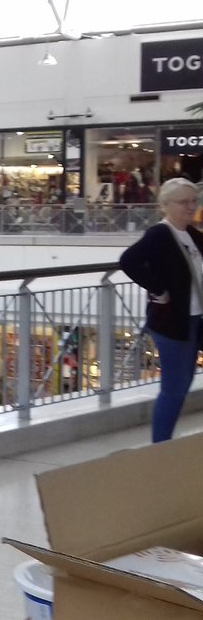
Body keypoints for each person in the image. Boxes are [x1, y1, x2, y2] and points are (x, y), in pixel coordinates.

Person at [119, 177, 203, 443]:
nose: (190, 207)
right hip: (173, 323)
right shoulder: (160, 234)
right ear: (165, 205)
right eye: (183, 202)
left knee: (182, 384)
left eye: (194, 201)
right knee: (175, 387)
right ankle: (160, 445)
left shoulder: (193, 234)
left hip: (196, 319)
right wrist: (158, 291)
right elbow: (129, 261)